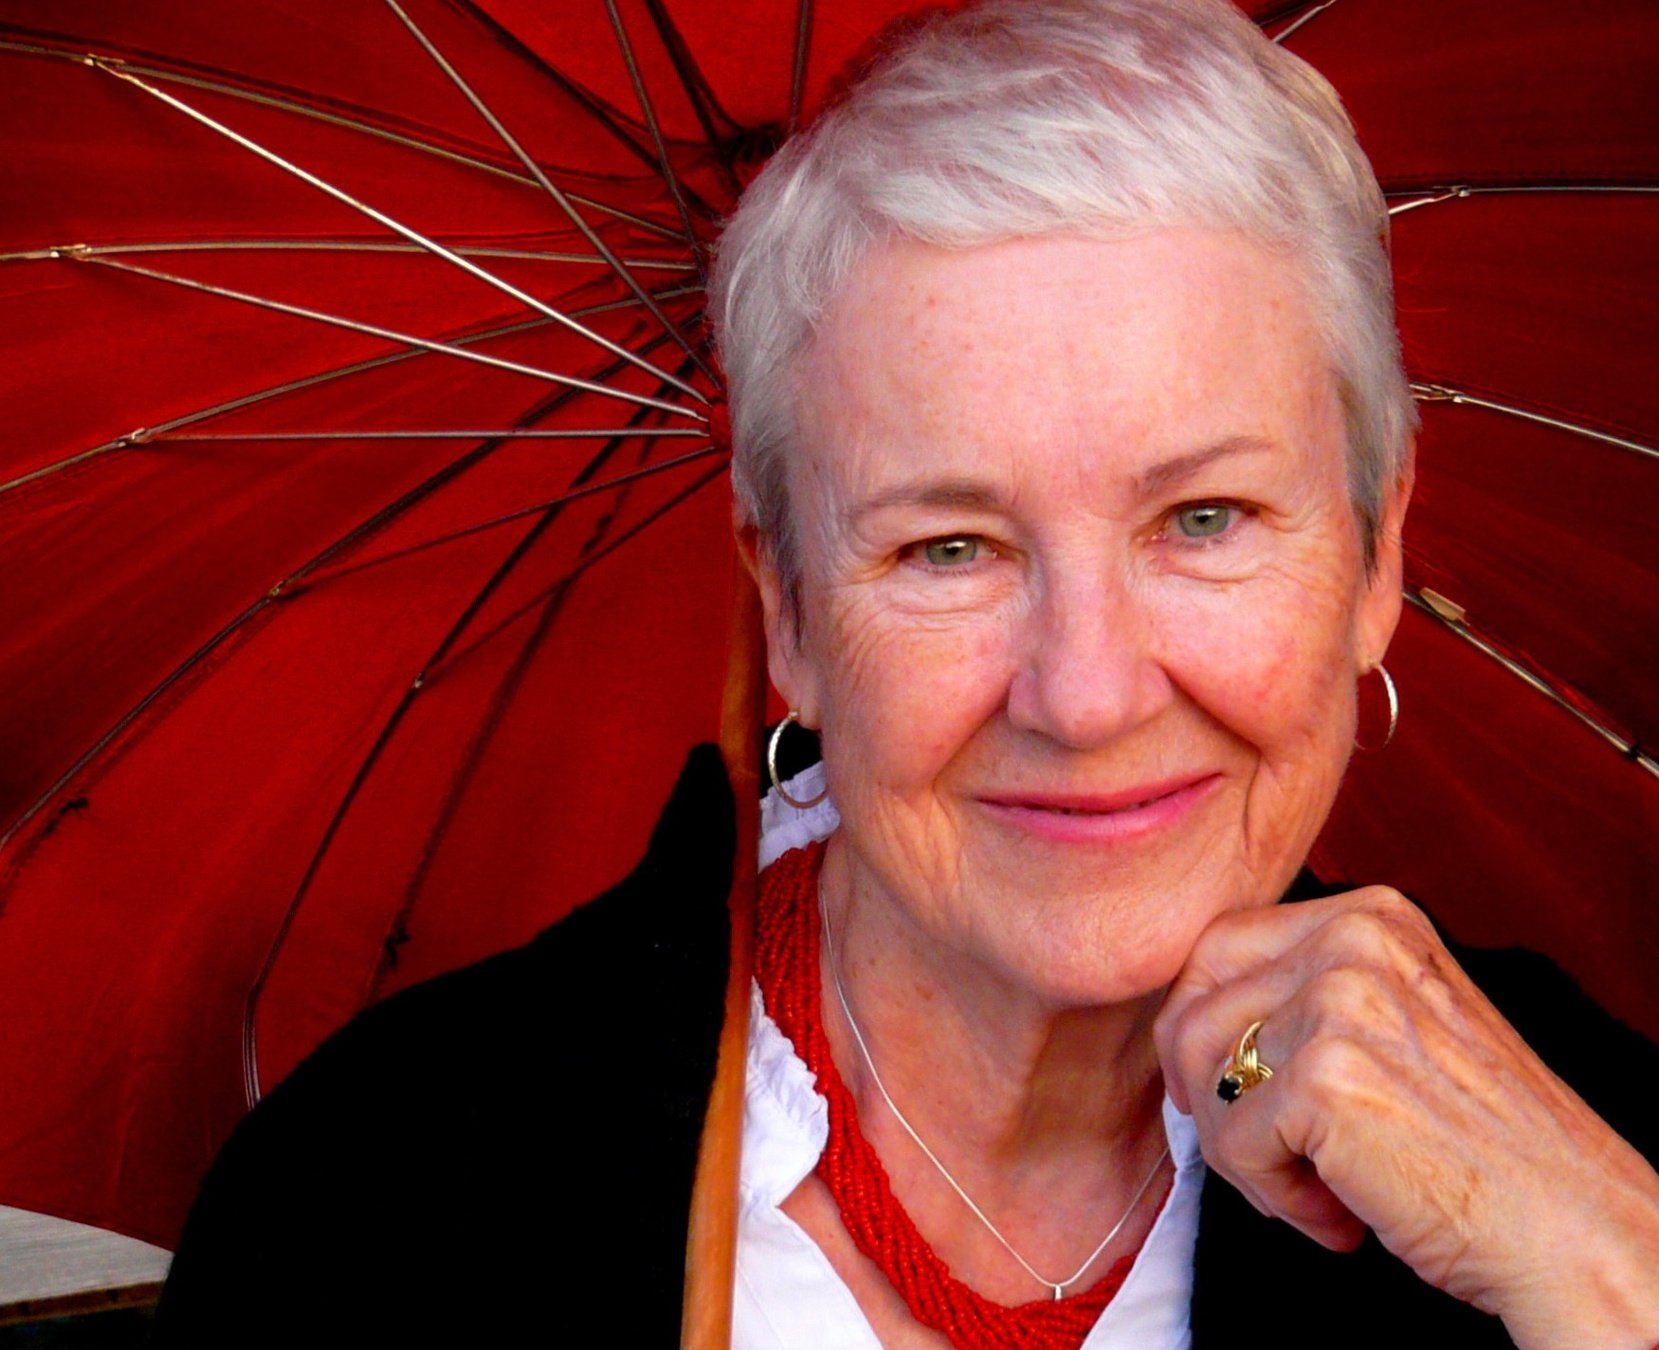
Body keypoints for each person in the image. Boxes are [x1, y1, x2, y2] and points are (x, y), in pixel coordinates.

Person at [154, 1, 1659, 1346]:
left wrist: (1610, 1280)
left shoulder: (1597, 1152)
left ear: (1377, 553)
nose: (1087, 695)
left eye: (1204, 520)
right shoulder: (370, 1214)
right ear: (790, 607)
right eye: (950, 548)